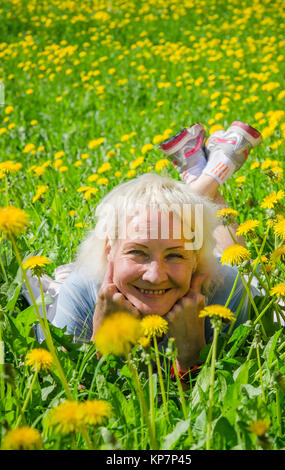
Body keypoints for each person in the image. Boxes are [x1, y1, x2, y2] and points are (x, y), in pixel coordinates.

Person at [22, 120, 262, 375]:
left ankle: (200, 171)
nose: (155, 276)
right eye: (137, 252)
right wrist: (102, 343)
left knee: (238, 265)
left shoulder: (226, 292)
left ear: (196, 259)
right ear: (108, 251)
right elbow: (78, 394)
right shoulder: (81, 294)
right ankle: (210, 170)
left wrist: (192, 356)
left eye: (175, 255)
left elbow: (217, 397)